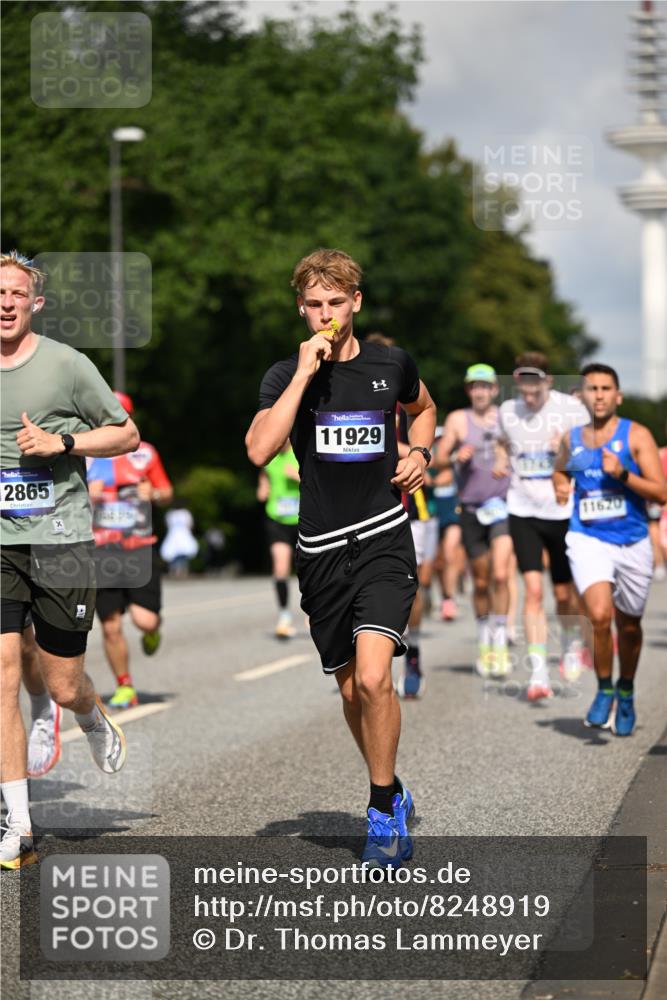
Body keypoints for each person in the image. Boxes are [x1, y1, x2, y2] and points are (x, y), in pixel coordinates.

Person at [246, 249, 436, 868]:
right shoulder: (285, 374)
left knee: (377, 678)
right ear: (300, 308)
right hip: (321, 550)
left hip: (383, 537)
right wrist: (303, 376)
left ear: (356, 301)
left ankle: (380, 809)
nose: (325, 315)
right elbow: (260, 450)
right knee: (353, 691)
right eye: (313, 305)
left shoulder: (390, 364)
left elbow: (425, 410)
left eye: (335, 302)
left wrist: (421, 455)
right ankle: (393, 789)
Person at [0, 251, 139, 869]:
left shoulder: (66, 364)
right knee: (3, 672)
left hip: (60, 538)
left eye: (15, 293)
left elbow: (126, 434)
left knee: (61, 683)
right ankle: (19, 824)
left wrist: (62, 441)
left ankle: (89, 713)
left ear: (35, 303)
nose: (5, 303)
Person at [553, 364, 667, 735]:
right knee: (600, 616)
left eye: (605, 388)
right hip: (587, 537)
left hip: (632, 541)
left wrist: (622, 474)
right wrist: (560, 485)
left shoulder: (636, 435)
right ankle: (604, 688)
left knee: (629, 626)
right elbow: (559, 470)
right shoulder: (571, 439)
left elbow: (661, 493)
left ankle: (626, 690)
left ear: (617, 396)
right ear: (582, 397)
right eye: (592, 388)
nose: (599, 395)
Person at [496, 351, 590, 700]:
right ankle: (538, 674)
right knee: (533, 590)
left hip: (562, 510)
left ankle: (570, 643)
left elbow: (592, 451)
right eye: (523, 380)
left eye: (536, 380)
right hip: (522, 509)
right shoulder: (508, 411)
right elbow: (501, 442)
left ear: (548, 381)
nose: (529, 388)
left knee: (564, 593)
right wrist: (501, 460)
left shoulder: (571, 409)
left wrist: (567, 446)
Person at [87, 391, 173, 708]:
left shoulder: (145, 453)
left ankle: (152, 632)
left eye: (118, 415)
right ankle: (125, 685)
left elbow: (166, 492)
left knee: (145, 620)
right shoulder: (84, 455)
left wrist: (153, 494)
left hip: (139, 548)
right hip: (101, 549)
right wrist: (86, 495)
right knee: (110, 625)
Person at [437, 364, 513, 677]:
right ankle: (485, 641)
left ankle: (501, 642)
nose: (479, 392)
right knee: (481, 581)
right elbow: (438, 458)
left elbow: (524, 449)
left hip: (503, 506)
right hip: (470, 509)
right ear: (469, 390)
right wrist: (457, 457)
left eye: (485, 386)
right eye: (474, 387)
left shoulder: (507, 417)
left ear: (494, 389)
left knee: (501, 575)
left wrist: (506, 459)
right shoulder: (457, 419)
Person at [257, 442, 301, 639]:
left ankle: (317, 612)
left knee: (308, 569)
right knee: (280, 568)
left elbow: (320, 481)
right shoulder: (270, 456)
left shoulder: (300, 452)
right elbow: (264, 477)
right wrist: (263, 488)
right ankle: (284, 615)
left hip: (303, 519)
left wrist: (298, 476)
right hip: (277, 519)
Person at [160, 505, 198, 577]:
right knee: (176, 554)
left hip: (177, 535)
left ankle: (178, 571)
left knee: (179, 554)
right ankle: (179, 571)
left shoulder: (173, 513)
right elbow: (190, 525)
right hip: (179, 535)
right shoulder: (183, 513)